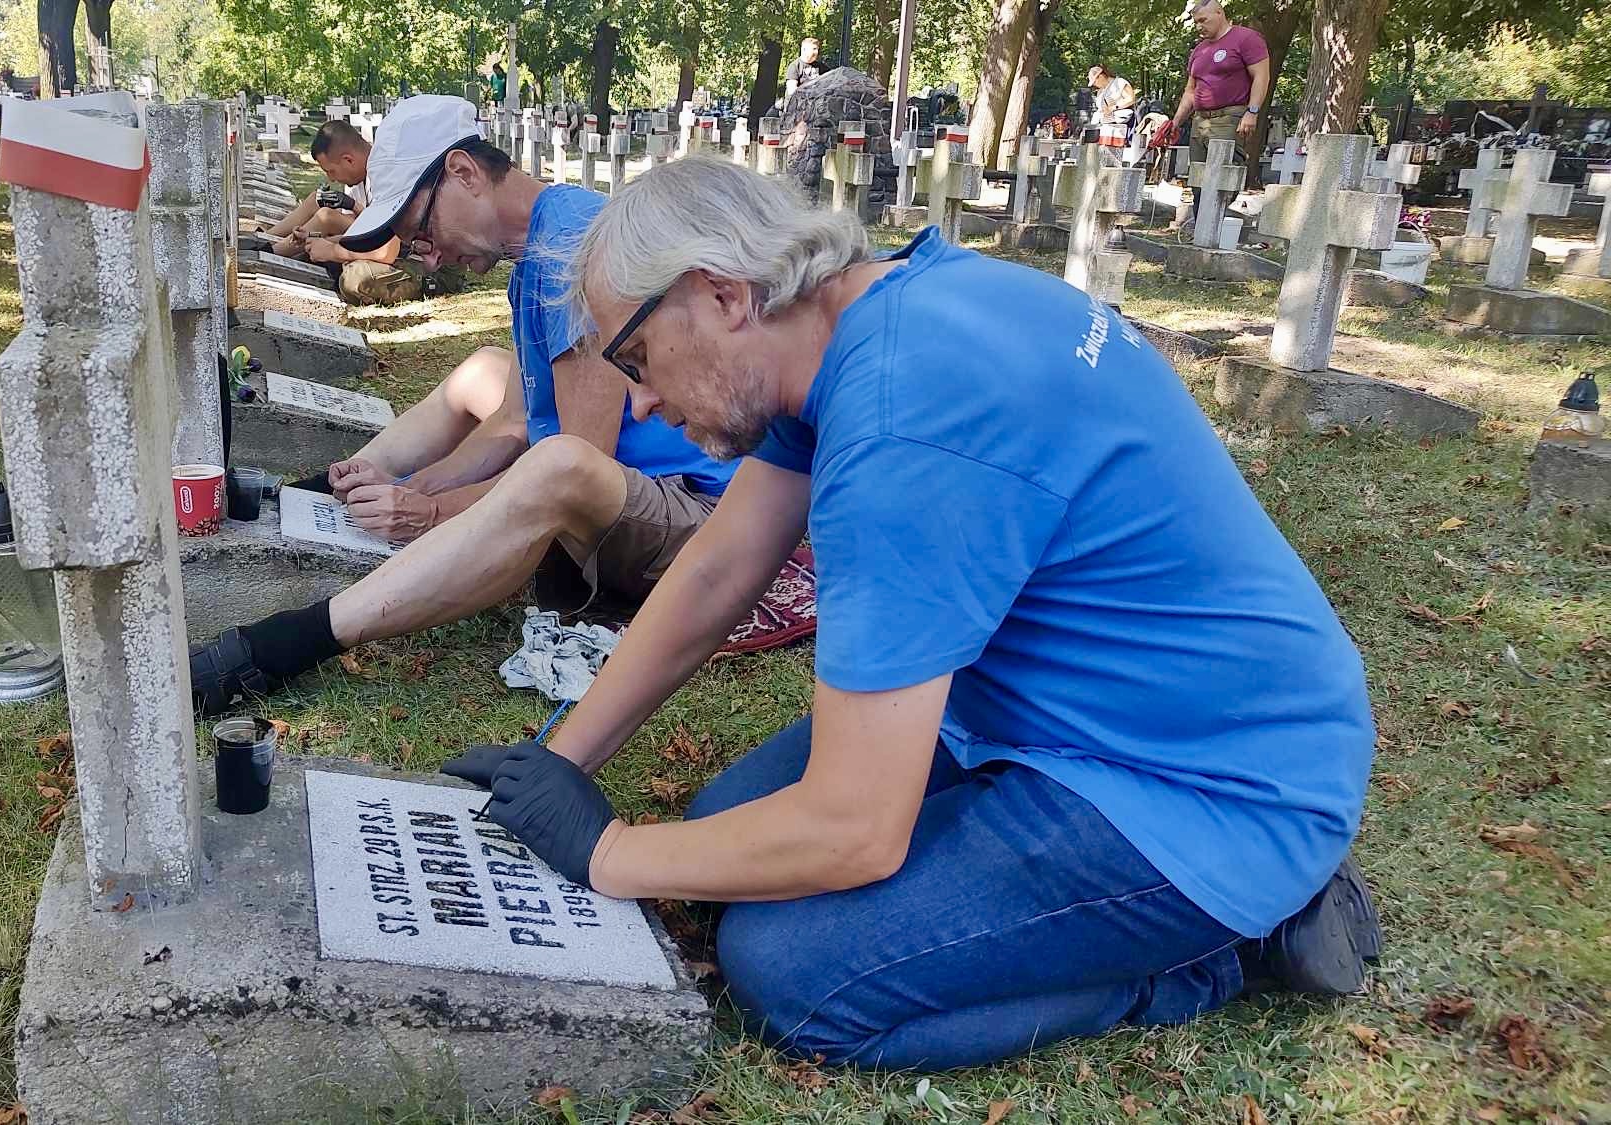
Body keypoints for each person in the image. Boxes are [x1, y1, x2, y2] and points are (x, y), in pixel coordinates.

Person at [441, 157, 1382, 1070]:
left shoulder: (901, 429)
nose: (639, 397)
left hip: (1209, 787)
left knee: (792, 972)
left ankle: (1213, 958)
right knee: (726, 826)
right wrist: (562, 759)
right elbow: (718, 568)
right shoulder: (862, 314)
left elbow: (854, 827)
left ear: (723, 294)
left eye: (637, 356)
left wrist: (606, 852)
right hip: (1088, 710)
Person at [188, 97, 738, 716]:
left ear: (464, 173)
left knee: (556, 467)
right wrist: (415, 486)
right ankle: (322, 494)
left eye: (420, 229)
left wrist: (429, 513)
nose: (427, 254)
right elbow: (514, 419)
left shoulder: (574, 253)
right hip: (632, 481)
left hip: (701, 513)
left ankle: (294, 640)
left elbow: (576, 458)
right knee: (482, 371)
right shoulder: (538, 250)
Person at [251, 120, 425, 306]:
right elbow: (365, 229)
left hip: (422, 261)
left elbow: (385, 252)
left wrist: (333, 251)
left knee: (354, 281)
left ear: (348, 160)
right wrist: (317, 239)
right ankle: (267, 250)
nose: (331, 178)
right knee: (318, 240)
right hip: (395, 247)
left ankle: (269, 251)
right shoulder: (366, 171)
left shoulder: (389, 174)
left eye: (331, 171)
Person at [1168, 0, 1269, 161]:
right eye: (1196, 22)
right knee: (1197, 177)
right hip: (1200, 121)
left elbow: (1261, 76)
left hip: (1229, 118)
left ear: (1219, 13)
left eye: (1203, 20)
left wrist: (1252, 112)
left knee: (1222, 175)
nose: (1199, 27)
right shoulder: (1199, 50)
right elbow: (1190, 91)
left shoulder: (1246, 38)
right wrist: (1175, 123)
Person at [1088, 63, 1138, 136]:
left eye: (1094, 82)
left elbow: (1131, 99)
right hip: (1103, 126)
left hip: (1121, 126)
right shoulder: (1100, 91)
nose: (1094, 85)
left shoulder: (1120, 82)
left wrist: (1114, 107)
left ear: (1101, 76)